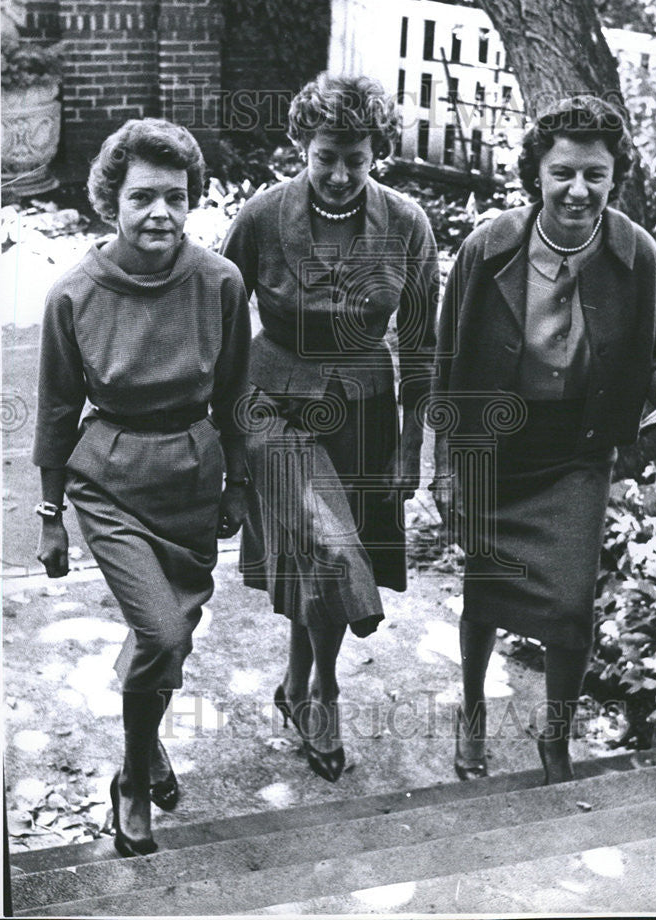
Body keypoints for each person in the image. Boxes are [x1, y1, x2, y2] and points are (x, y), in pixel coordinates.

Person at [430, 95, 656, 784]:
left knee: (569, 611)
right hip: (493, 445)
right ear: (535, 175)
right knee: (484, 594)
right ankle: (472, 717)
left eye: (594, 175)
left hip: (575, 451)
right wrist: (446, 465)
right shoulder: (489, 247)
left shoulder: (637, 255)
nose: (578, 190)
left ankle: (555, 736)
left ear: (612, 177)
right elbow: (446, 363)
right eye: (563, 172)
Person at [33, 118, 251, 855]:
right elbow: (59, 409)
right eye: (143, 197)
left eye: (176, 197)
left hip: (193, 472)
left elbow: (235, 396)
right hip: (110, 478)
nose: (161, 213)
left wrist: (238, 485)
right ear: (111, 201)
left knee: (170, 638)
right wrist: (48, 512)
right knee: (160, 632)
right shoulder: (73, 295)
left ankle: (144, 731)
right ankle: (132, 778)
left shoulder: (221, 282)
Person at [220, 73, 439, 782]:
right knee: (332, 544)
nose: (341, 174)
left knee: (315, 561)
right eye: (326, 158)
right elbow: (221, 321)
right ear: (300, 147)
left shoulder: (407, 224)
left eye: (357, 158)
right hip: (274, 407)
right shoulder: (258, 219)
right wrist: (225, 442)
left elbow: (421, 341)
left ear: (378, 152)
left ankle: (299, 681)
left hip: (367, 411)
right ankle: (329, 692)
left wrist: (411, 445)